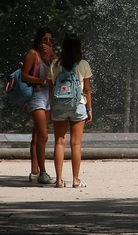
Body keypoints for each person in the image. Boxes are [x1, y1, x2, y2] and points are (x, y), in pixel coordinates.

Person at [48, 33, 93, 188]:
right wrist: (89, 109)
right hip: (78, 105)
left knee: (59, 142)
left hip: (59, 106)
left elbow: (51, 87)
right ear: (79, 47)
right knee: (76, 144)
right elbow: (87, 89)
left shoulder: (55, 64)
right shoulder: (83, 64)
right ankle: (75, 180)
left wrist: (52, 105)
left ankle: (59, 180)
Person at [22, 27, 58, 184]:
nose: (47, 43)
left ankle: (34, 171)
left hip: (48, 96)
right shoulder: (32, 54)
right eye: (45, 39)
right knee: (43, 134)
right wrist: (43, 81)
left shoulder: (52, 57)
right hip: (37, 94)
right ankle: (43, 172)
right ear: (39, 40)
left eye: (50, 40)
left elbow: (61, 68)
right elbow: (24, 75)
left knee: (37, 133)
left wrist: (51, 55)